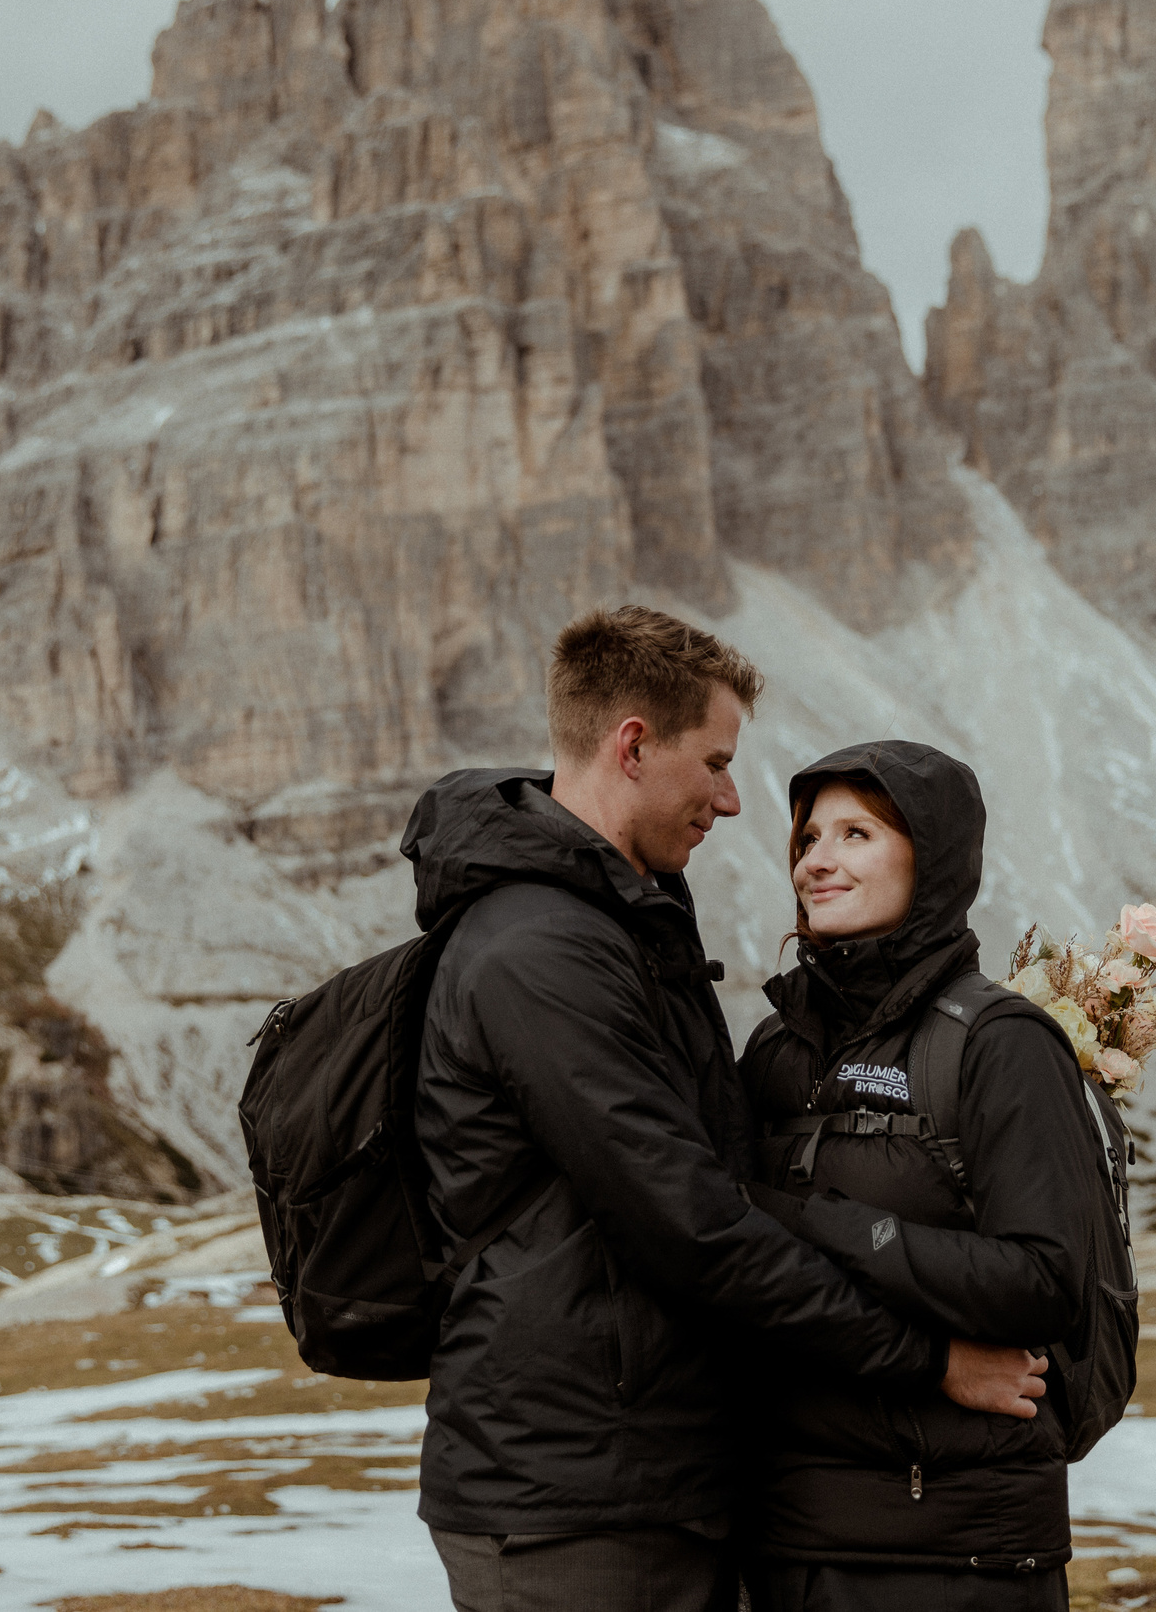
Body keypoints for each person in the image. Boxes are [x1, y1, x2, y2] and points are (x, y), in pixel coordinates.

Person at [401, 610, 1045, 1612]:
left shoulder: (617, 920)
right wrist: (928, 1359)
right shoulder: (541, 952)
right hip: (574, 1499)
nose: (734, 800)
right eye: (715, 762)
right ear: (632, 746)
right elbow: (694, 1225)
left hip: (638, 1479)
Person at [737, 740, 1119, 1611]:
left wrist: (828, 1223)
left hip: (958, 1558)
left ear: (932, 860)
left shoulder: (1000, 1043)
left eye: (857, 834)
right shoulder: (773, 1047)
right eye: (808, 837)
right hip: (787, 1544)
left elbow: (1046, 1281)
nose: (816, 860)